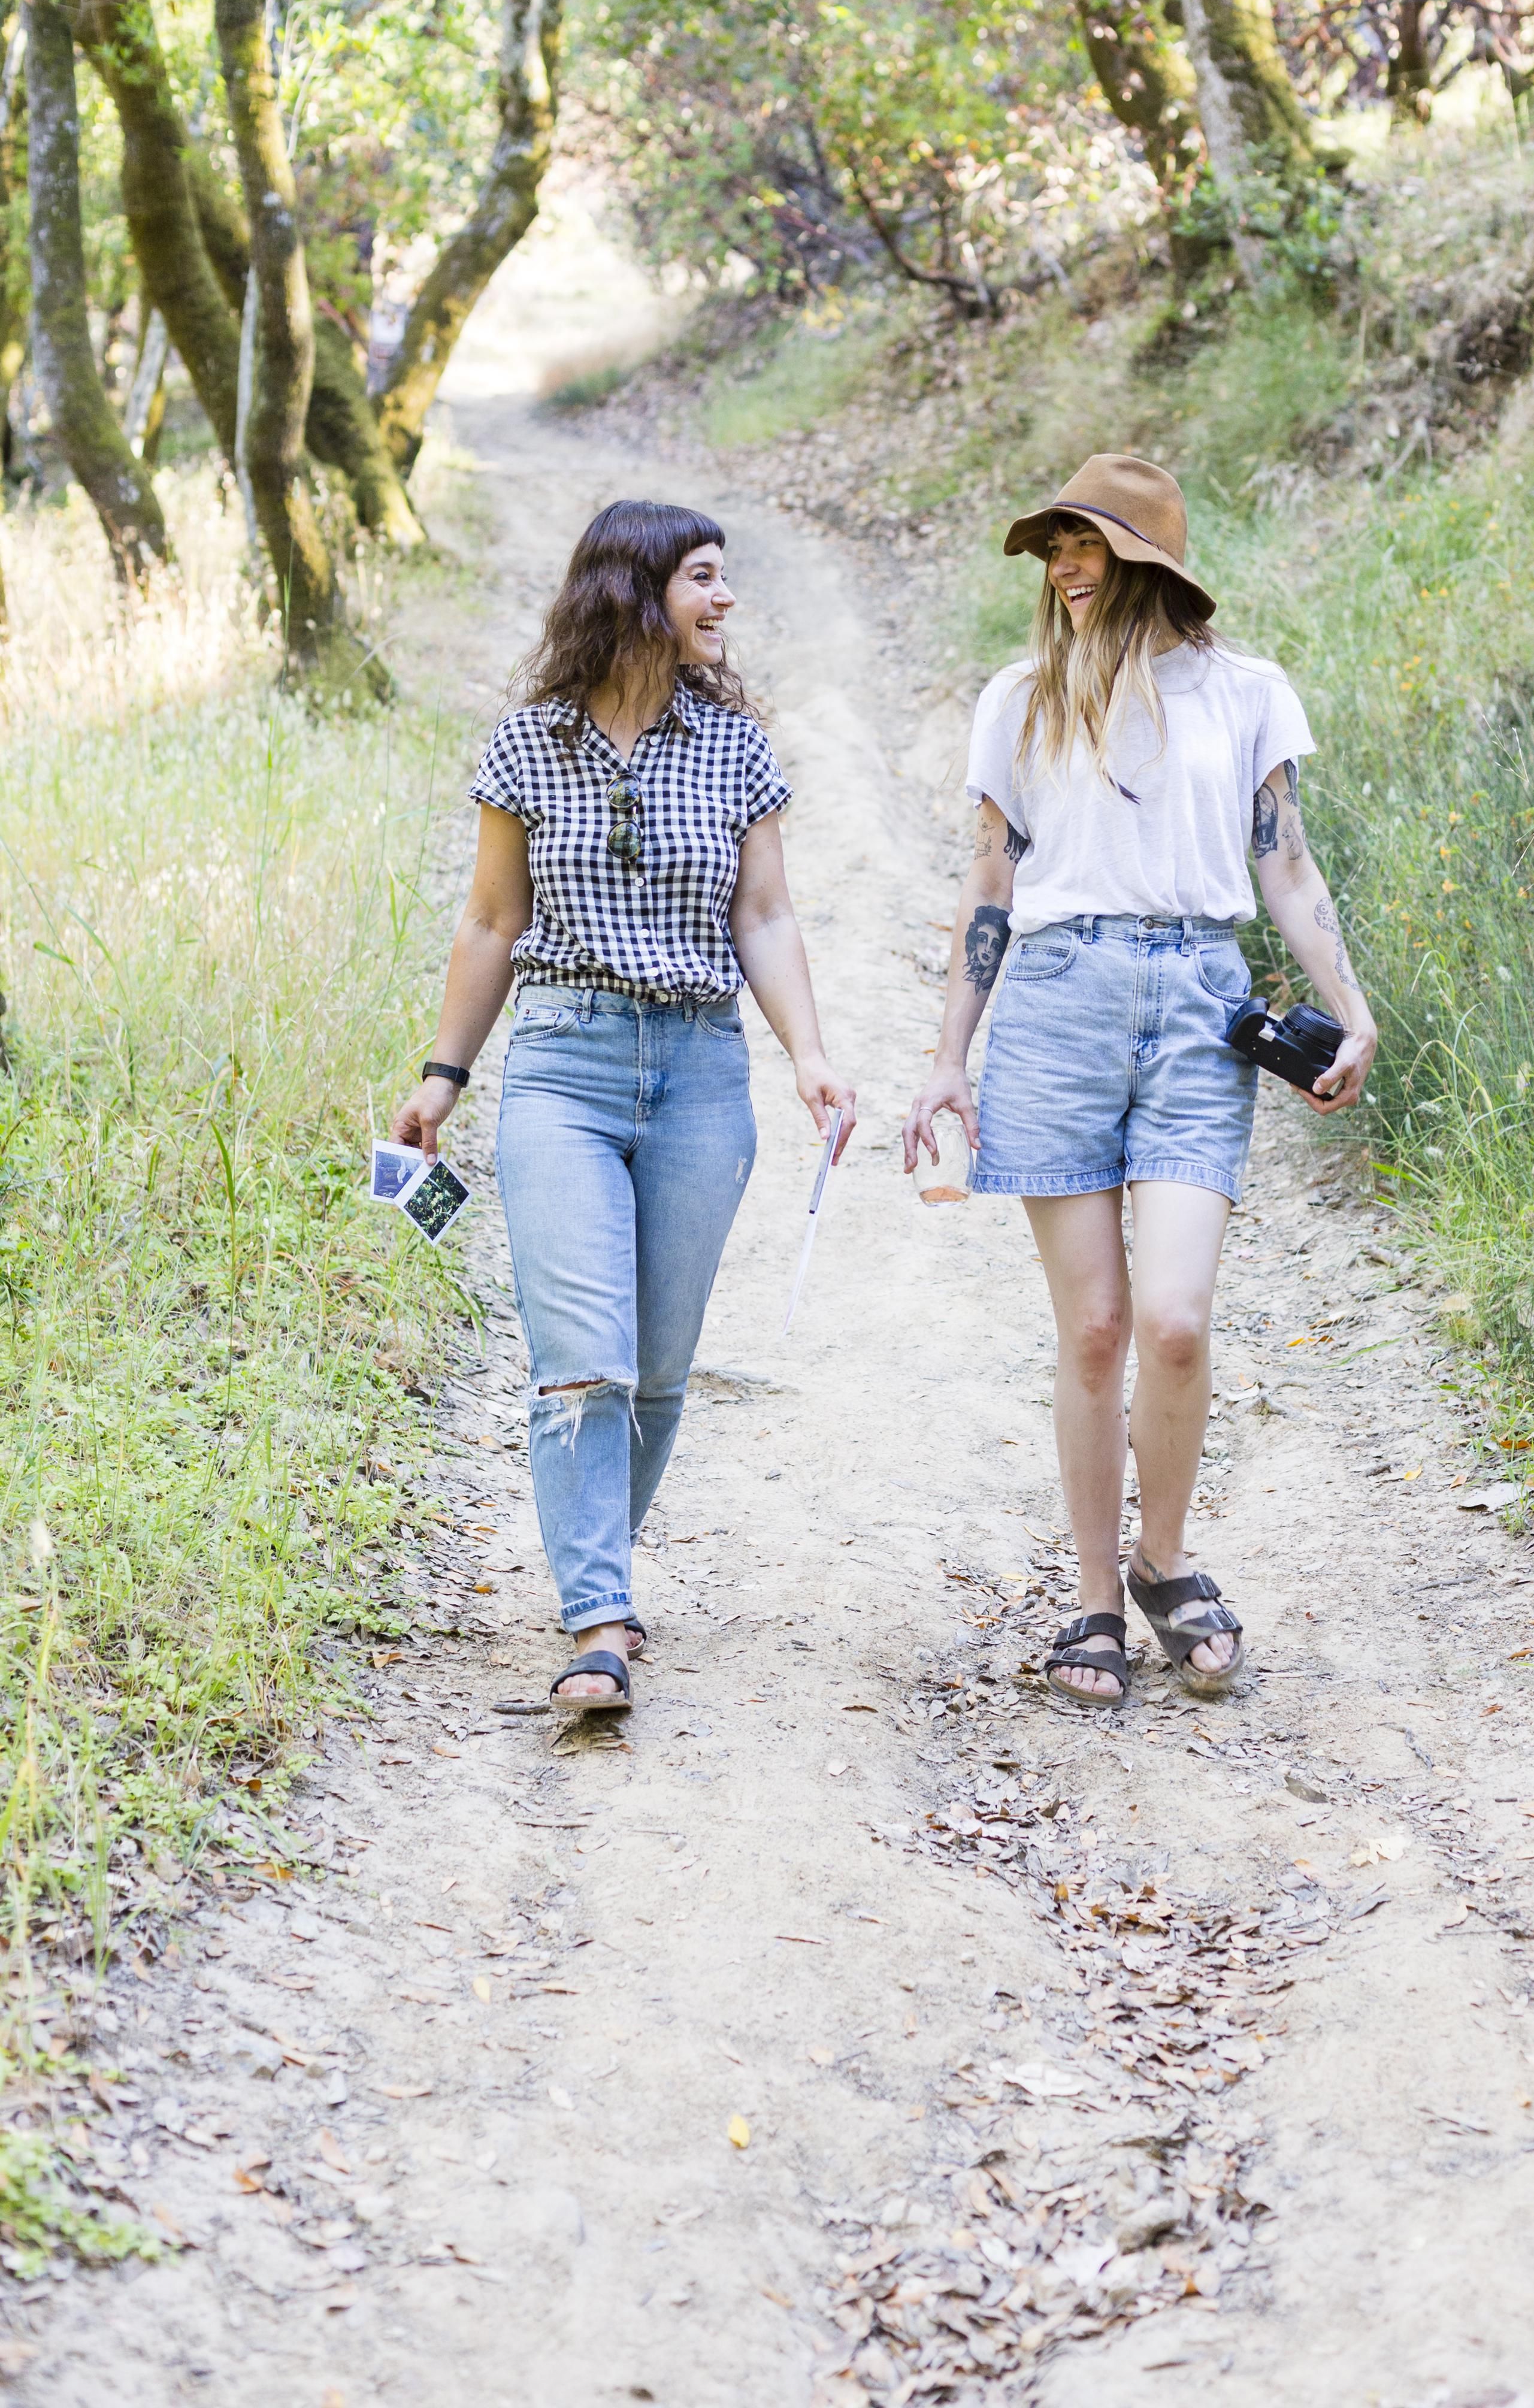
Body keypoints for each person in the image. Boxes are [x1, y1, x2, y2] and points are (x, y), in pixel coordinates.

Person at [903, 455, 1375, 1708]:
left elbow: (1287, 870)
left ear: (1148, 562)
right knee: (1096, 1328)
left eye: (1087, 545)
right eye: (1053, 543)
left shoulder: (1242, 694)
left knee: (1172, 1321)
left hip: (1197, 1006)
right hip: (1056, 1006)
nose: (1062, 565)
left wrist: (1350, 1013)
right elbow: (990, 889)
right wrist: (950, 1057)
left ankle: (1166, 1564)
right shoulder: (1019, 699)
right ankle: (1095, 1603)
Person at [391, 500, 856, 1714]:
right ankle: (598, 1617)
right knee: (580, 1360)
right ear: (633, 590)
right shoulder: (528, 744)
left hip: (702, 1070)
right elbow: (491, 922)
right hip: (563, 1064)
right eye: (702, 577)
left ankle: (595, 1566)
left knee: (655, 1372)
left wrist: (807, 1055)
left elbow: (764, 916)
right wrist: (442, 1077)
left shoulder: (736, 745)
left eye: (724, 578)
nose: (725, 599)